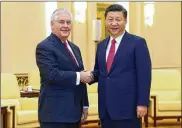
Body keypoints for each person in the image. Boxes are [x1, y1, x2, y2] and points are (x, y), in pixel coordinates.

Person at [87, 4, 152, 128]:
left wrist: (142, 103)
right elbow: (99, 72)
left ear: (125, 21)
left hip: (128, 108)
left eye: (118, 19)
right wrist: (86, 76)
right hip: (105, 109)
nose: (114, 23)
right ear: (105, 21)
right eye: (110, 19)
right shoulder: (101, 46)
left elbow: (144, 75)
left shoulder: (137, 43)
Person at [36, 8, 92, 128]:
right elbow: (52, 75)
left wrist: (85, 105)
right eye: (61, 22)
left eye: (68, 22)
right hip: (55, 114)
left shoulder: (75, 48)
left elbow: (81, 77)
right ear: (52, 24)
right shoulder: (44, 47)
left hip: (74, 113)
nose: (65, 26)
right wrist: (79, 76)